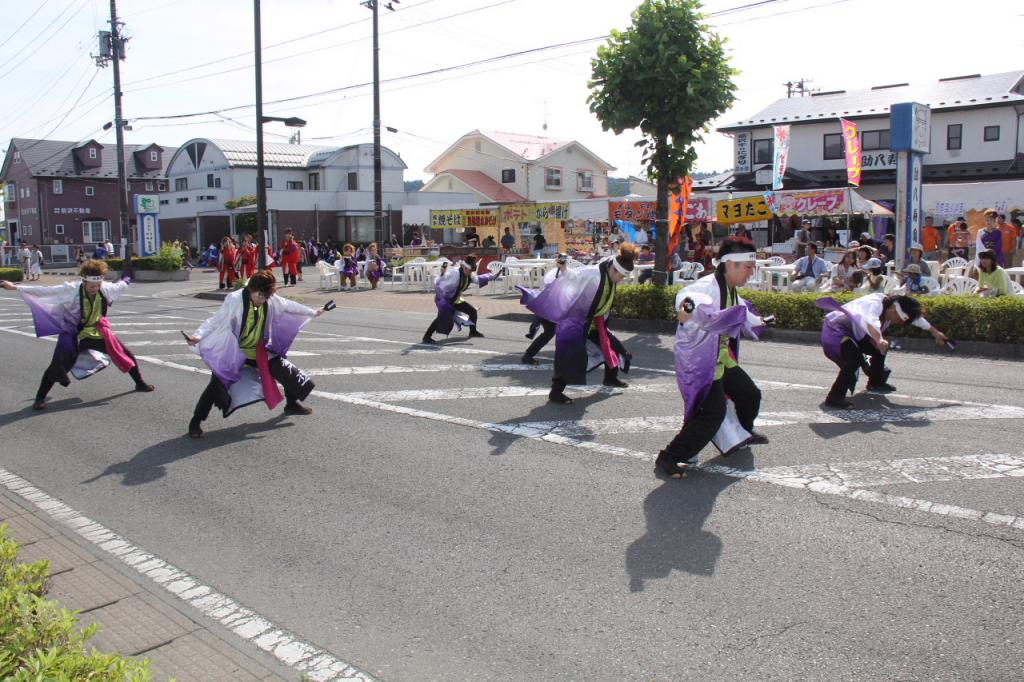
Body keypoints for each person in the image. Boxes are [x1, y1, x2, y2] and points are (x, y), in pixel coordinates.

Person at [655, 238, 770, 479]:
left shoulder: (730, 288)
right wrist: (689, 310)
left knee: (750, 394)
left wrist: (760, 321)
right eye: (748, 268)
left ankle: (742, 432)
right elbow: (684, 304)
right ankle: (669, 457)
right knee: (712, 414)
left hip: (721, 358)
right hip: (700, 363)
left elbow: (741, 312)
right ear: (730, 265)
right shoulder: (705, 288)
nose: (751, 273)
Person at [185, 269, 324, 438]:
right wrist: (197, 335)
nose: (262, 299)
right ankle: (195, 422)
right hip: (234, 352)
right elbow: (216, 319)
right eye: (259, 295)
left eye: (266, 296)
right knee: (215, 386)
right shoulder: (235, 299)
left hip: (258, 351)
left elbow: (289, 305)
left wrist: (313, 312)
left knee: (285, 371)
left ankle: (292, 403)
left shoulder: (270, 299)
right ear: (251, 289)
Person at [2, 259, 154, 410]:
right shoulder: (71, 289)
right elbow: (45, 291)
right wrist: (15, 287)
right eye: (92, 286)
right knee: (58, 365)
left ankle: (139, 383)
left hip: (96, 331)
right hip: (73, 333)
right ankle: (39, 399)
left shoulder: (105, 288)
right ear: (84, 281)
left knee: (124, 354)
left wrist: (126, 280)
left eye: (98, 285)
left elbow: (120, 286)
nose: (95, 288)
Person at [518, 244, 638, 405]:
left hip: (595, 321)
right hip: (576, 321)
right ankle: (556, 392)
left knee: (610, 347)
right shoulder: (594, 274)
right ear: (614, 270)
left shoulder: (609, 272)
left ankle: (610, 378)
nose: (621, 280)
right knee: (569, 356)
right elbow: (571, 277)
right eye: (621, 276)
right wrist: (563, 267)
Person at [816, 293, 947, 408]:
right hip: (837, 329)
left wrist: (936, 333)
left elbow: (916, 319)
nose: (898, 323)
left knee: (880, 349)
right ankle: (834, 398)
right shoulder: (874, 304)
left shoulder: (892, 306)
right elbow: (870, 322)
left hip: (858, 333)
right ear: (894, 310)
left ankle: (876, 382)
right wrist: (878, 339)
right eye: (898, 319)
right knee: (854, 360)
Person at [422, 255, 493, 344]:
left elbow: (478, 279)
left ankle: (473, 331)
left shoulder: (469, 274)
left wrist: (491, 276)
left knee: (472, 311)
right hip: (444, 299)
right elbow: (441, 281)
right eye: (469, 270)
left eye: (471, 271)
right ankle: (426, 336)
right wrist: (442, 274)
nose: (470, 272)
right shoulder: (455, 273)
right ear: (463, 266)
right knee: (442, 317)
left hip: (455, 299)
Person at [521, 254, 569, 365]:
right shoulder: (553, 274)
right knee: (555, 332)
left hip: (552, 308)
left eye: (564, 261)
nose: (562, 263)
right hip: (550, 308)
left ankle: (528, 355)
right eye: (561, 261)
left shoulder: (566, 273)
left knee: (550, 333)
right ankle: (529, 355)